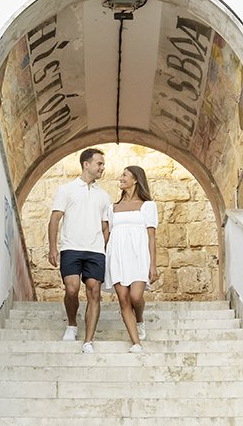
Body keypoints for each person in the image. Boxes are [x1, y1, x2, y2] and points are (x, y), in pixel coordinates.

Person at [47, 147, 111, 352]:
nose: (103, 167)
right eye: (99, 163)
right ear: (86, 164)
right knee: (72, 289)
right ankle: (72, 324)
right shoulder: (66, 189)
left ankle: (88, 340)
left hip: (95, 251)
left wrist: (104, 246)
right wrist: (52, 248)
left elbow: (105, 226)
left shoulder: (104, 195)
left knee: (94, 292)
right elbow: (55, 218)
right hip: (71, 248)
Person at [104, 164, 159, 352]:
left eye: (125, 175)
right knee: (123, 299)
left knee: (136, 296)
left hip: (138, 255)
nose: (121, 177)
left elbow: (151, 237)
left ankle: (140, 320)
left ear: (136, 179)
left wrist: (153, 265)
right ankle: (136, 343)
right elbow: (107, 234)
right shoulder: (112, 208)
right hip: (117, 255)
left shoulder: (148, 206)